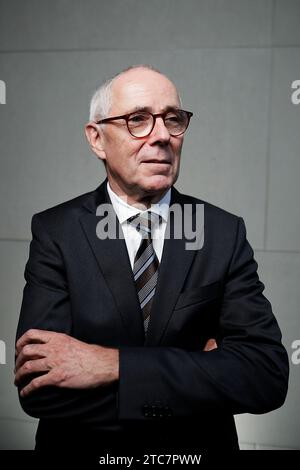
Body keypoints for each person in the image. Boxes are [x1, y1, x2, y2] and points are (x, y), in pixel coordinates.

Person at [15, 65, 289, 452]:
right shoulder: (56, 231)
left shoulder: (223, 232)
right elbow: (40, 389)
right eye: (138, 120)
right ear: (97, 139)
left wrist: (112, 366)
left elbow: (266, 377)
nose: (162, 135)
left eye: (173, 119)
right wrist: (199, 374)